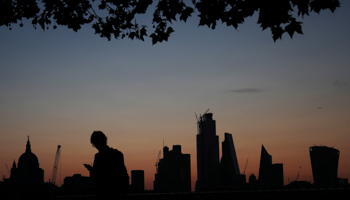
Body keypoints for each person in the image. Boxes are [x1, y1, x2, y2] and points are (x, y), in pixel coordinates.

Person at [84, 131, 129, 200]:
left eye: (95, 144)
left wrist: (91, 170)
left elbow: (97, 178)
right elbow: (124, 175)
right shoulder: (118, 154)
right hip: (118, 194)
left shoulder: (98, 157)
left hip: (103, 194)